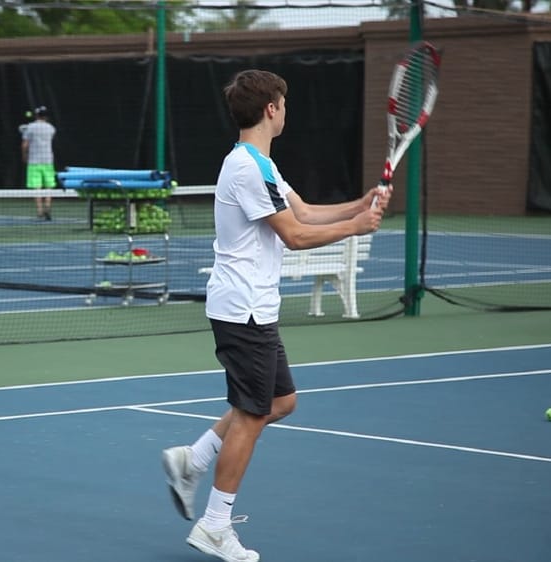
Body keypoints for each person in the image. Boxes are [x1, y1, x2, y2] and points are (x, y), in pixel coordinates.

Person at [161, 69, 390, 562]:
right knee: (253, 413)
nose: (286, 111)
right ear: (271, 109)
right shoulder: (246, 167)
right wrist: (356, 227)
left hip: (254, 307)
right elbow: (295, 235)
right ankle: (214, 526)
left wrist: (362, 203)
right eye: (284, 103)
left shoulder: (261, 165)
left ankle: (193, 459)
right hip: (242, 309)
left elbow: (303, 212)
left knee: (281, 402)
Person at [21, 105, 57, 220]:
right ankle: (47, 207)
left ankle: (40, 211)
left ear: (36, 115)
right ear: (46, 116)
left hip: (34, 161)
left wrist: (24, 156)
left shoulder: (30, 127)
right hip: (48, 160)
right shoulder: (51, 128)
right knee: (49, 186)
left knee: (37, 187)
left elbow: (25, 145)